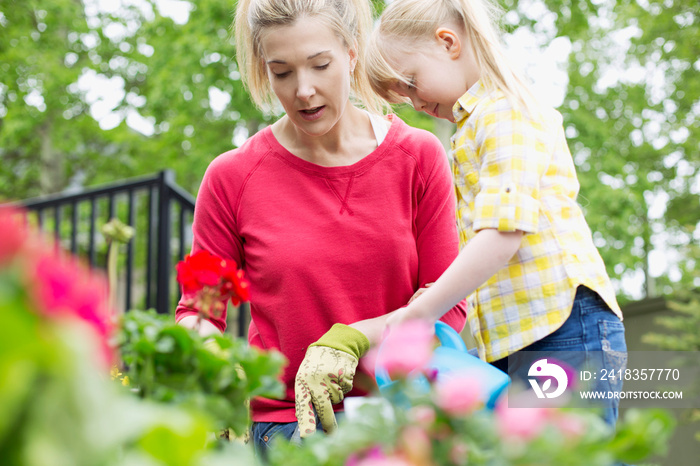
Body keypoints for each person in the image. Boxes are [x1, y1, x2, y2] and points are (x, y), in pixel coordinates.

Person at [175, 0, 467, 456]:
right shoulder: (232, 176)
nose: (303, 91)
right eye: (282, 72)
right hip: (285, 429)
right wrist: (218, 367)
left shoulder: (417, 157)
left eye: (319, 65)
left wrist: (357, 340)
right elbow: (196, 312)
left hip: (397, 419)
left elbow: (447, 303)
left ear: (352, 52)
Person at [366, 0, 627, 428]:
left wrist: (420, 313)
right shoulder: (472, 126)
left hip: (561, 327)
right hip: (523, 335)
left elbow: (503, 234)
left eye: (411, 83)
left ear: (448, 42)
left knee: (573, 454)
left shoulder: (503, 112)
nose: (413, 101)